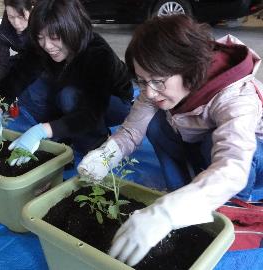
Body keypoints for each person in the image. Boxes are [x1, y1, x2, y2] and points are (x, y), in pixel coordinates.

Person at [78, 14, 263, 266]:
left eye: (158, 81)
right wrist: (105, 156)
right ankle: (179, 192)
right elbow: (133, 130)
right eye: (143, 81)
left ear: (188, 68)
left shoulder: (235, 97)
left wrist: (166, 213)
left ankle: (231, 206)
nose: (150, 92)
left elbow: (232, 166)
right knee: (154, 123)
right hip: (196, 137)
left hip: (250, 156)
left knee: (214, 147)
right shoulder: (155, 85)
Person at [0, 0, 133, 165]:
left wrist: (42, 130)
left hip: (113, 103)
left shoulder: (97, 53)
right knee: (33, 91)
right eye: (40, 37)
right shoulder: (43, 47)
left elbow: (91, 113)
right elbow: (16, 78)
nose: (47, 46)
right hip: (74, 90)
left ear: (71, 30)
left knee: (69, 97)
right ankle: (64, 131)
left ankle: (97, 143)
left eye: (54, 38)